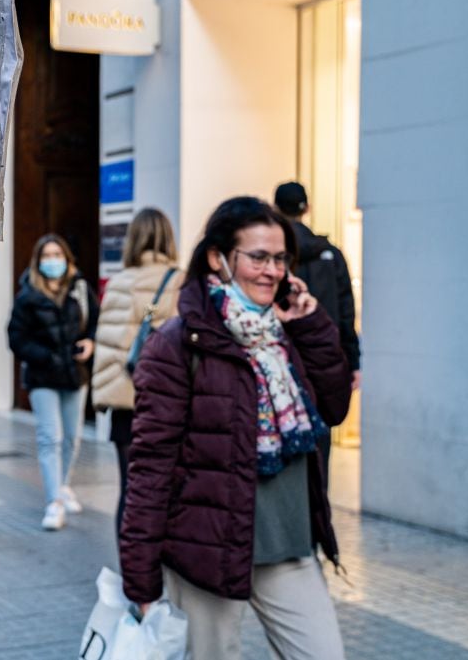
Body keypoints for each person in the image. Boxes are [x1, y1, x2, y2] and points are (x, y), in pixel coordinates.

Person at [120, 197, 352, 659]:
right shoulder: (178, 345)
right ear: (218, 258)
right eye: (258, 257)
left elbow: (336, 405)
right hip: (206, 555)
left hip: (288, 546)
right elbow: (149, 469)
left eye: (281, 258)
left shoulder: (291, 333)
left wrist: (312, 325)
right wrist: (140, 578)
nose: (272, 270)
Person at [91, 208, 184, 538]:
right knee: (170, 493)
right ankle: (161, 574)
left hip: (124, 406)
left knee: (130, 493)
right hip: (166, 406)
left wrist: (102, 396)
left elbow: (106, 345)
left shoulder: (118, 283)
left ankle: (131, 577)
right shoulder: (180, 281)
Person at [8, 234, 99, 531]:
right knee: (50, 437)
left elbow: (97, 324)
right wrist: (45, 356)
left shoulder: (80, 290)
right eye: (46, 256)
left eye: (57, 254)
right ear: (38, 262)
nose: (52, 261)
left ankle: (63, 485)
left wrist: (92, 343)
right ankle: (54, 503)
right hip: (42, 376)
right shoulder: (27, 296)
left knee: (72, 437)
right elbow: (16, 339)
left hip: (75, 373)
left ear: (67, 259)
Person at [275, 181, 361, 484]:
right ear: (307, 208)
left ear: (276, 210)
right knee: (320, 446)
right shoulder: (331, 255)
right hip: (325, 362)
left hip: (284, 363)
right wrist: (353, 362)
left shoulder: (276, 256)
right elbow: (347, 314)